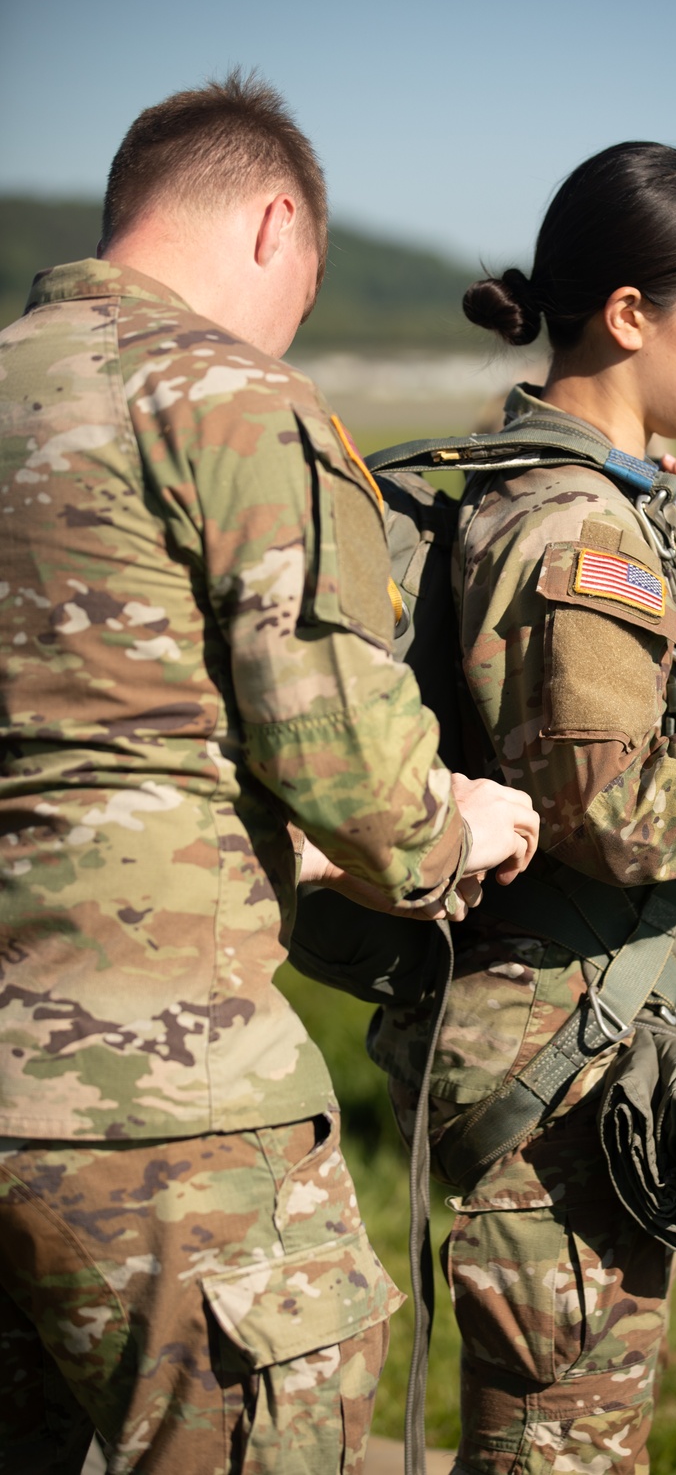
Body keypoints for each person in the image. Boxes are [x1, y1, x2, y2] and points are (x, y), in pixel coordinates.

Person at [0, 73, 538, 1475]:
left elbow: (91, 745)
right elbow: (342, 758)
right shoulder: (226, 396)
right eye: (303, 288)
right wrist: (452, 829)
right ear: (273, 222)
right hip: (158, 1109)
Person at [370, 141, 676, 1474]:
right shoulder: (577, 527)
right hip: (558, 1073)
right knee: (557, 1451)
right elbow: (621, 811)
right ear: (633, 313)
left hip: (582, 1041)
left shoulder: (613, 511)